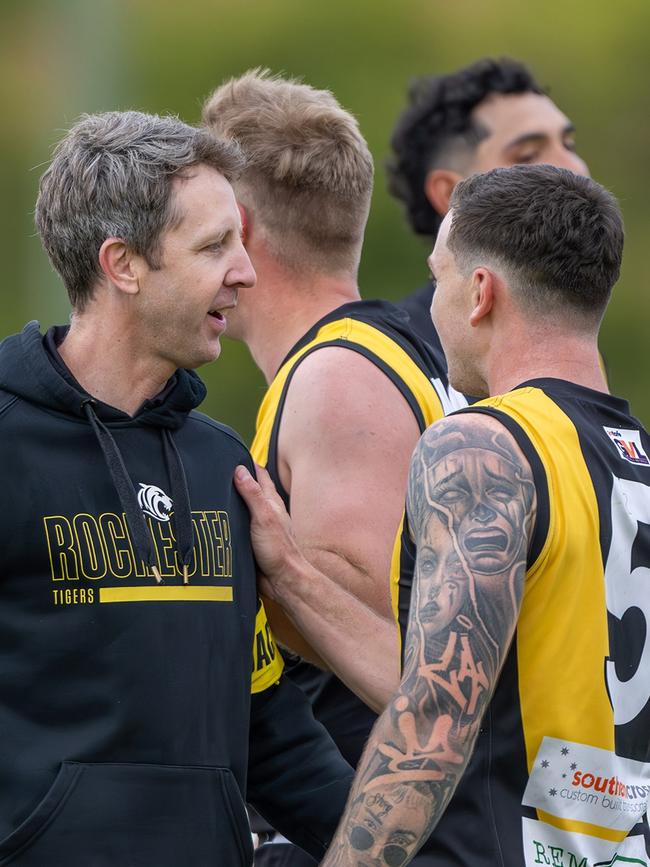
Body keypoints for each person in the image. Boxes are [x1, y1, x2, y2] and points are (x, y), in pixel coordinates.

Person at [235, 165, 650, 866]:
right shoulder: (633, 463)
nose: (428, 307)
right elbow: (476, 684)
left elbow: (435, 711)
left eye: (440, 277)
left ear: (482, 293)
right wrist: (295, 577)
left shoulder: (487, 443)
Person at [0, 110, 355, 866]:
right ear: (123, 264)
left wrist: (413, 850)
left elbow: (271, 728)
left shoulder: (222, 466)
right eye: (214, 246)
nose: (246, 272)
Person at [203, 70, 460, 865]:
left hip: (372, 824)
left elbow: (411, 662)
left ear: (239, 225)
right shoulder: (361, 357)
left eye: (207, 221)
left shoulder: (336, 379)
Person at [388, 57, 588, 346]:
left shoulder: (573, 338)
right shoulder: (397, 356)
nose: (575, 167)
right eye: (528, 155)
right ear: (450, 194)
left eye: (569, 145)